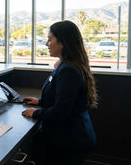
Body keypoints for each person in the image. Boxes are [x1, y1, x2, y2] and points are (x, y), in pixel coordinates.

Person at [21, 20, 98, 165]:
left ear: (63, 42)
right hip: (71, 135)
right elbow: (63, 97)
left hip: (72, 140)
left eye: (50, 39)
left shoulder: (68, 70)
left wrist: (36, 113)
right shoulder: (65, 65)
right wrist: (40, 102)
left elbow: (61, 111)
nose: (46, 44)